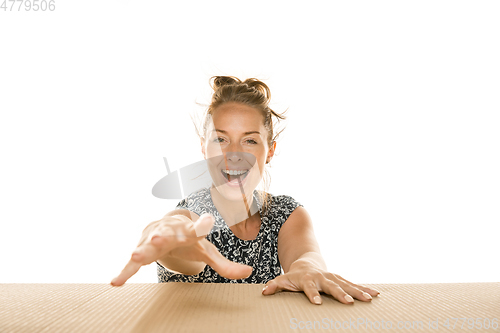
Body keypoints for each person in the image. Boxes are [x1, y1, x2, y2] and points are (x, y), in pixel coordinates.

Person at [111, 76, 380, 305]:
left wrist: (308, 269)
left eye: (249, 140)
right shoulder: (192, 216)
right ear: (204, 148)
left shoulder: (285, 214)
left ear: (270, 151)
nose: (234, 154)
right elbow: (173, 231)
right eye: (220, 139)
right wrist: (163, 239)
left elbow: (305, 256)